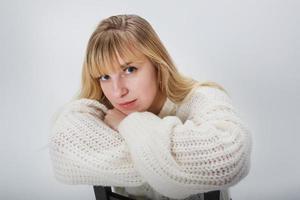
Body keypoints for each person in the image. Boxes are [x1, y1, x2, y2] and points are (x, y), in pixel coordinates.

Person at [49, 14, 252, 200]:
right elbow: (62, 151)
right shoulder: (99, 111)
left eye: (130, 69)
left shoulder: (202, 98)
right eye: (105, 77)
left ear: (157, 63)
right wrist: (171, 162)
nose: (118, 91)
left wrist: (130, 124)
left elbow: (228, 159)